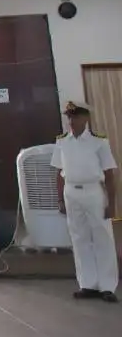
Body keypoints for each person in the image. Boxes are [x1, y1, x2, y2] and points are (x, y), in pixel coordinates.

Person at [52, 102, 117, 302]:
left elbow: (109, 174)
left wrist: (112, 203)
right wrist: (60, 198)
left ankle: (107, 286)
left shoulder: (99, 142)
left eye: (76, 116)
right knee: (79, 238)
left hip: (93, 192)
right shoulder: (62, 141)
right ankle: (88, 284)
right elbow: (59, 173)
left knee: (102, 238)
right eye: (69, 117)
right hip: (71, 192)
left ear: (86, 118)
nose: (72, 121)